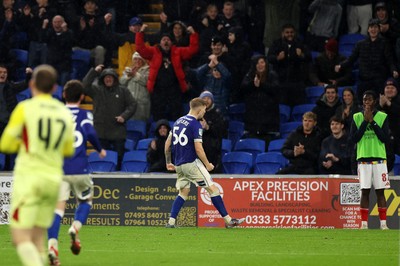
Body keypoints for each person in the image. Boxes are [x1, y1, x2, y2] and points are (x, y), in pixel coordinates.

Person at [0, 64, 75, 266]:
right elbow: (68, 149)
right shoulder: (63, 112)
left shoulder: (25, 108)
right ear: (54, 88)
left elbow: (5, 144)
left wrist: (27, 144)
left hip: (29, 179)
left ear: (32, 85)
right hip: (52, 180)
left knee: (20, 237)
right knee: (37, 234)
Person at [47, 80, 106, 266]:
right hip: (80, 168)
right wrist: (100, 149)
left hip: (59, 169)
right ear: (82, 97)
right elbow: (90, 133)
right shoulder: (84, 114)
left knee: (57, 209)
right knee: (86, 201)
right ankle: (75, 227)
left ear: (64, 95)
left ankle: (52, 246)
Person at [164, 97, 244, 228]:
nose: (204, 113)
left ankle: (171, 222)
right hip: (191, 163)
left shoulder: (178, 121)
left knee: (183, 192)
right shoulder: (195, 124)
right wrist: (207, 164)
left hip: (179, 165)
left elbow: (167, 144)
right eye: (204, 110)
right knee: (213, 189)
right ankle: (229, 221)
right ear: (199, 109)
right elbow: (198, 148)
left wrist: (168, 162)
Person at [136, 23, 199, 121]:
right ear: (160, 42)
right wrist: (141, 33)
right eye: (164, 40)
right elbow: (140, 48)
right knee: (158, 116)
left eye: (168, 40)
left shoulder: (177, 51)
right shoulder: (154, 52)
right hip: (158, 90)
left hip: (174, 90)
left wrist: (193, 34)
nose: (166, 42)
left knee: (177, 116)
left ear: (171, 42)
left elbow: (192, 50)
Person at [349, 90, 391, 230]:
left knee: (380, 191)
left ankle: (383, 224)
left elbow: (385, 138)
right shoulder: (356, 117)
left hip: (379, 159)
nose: (366, 102)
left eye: (369, 99)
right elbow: (353, 139)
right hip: (363, 159)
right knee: (364, 191)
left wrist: (372, 122)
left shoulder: (382, 116)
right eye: (364, 99)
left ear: (374, 102)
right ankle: (364, 224)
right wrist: (364, 122)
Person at [82, 65, 137, 169]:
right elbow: (84, 86)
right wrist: (94, 71)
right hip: (101, 131)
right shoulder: (97, 90)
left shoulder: (123, 91)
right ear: (102, 79)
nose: (108, 79)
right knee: (103, 160)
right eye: (106, 77)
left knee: (119, 159)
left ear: (115, 79)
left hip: (118, 131)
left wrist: (124, 117)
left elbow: (133, 104)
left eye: (110, 77)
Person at [335, 18, 399, 101]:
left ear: (379, 29)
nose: (373, 30)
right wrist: (341, 65)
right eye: (371, 27)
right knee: (360, 103)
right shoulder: (360, 44)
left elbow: (389, 59)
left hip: (378, 79)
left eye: (375, 27)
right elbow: (351, 59)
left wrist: (393, 70)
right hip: (364, 79)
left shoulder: (385, 43)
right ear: (368, 29)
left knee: (378, 104)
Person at [241, 55, 280, 147]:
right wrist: (253, 84)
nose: (260, 65)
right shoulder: (249, 76)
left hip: (269, 122)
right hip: (252, 122)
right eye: (257, 63)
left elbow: (275, 90)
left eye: (262, 62)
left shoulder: (272, 75)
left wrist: (261, 85)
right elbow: (243, 89)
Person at [267, 23, 311, 106]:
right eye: (287, 32)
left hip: (297, 82)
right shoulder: (276, 43)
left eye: (291, 32)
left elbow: (309, 58)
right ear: (282, 33)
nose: (289, 34)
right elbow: (269, 58)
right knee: (283, 105)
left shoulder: (300, 43)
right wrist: (277, 58)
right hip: (281, 81)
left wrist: (302, 55)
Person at [199, 90, 227, 173]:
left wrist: (208, 127)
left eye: (208, 98)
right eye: (204, 98)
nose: (206, 100)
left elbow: (222, 131)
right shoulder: (196, 113)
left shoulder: (217, 113)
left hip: (213, 149)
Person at [40, 15, 73, 86]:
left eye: (59, 22)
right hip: (52, 63)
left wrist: (65, 32)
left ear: (64, 23)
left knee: (63, 83)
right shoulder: (50, 32)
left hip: (64, 64)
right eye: (55, 22)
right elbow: (42, 39)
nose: (57, 24)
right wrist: (44, 27)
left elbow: (67, 43)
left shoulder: (69, 33)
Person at [119, 52, 151, 122]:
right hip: (128, 103)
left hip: (142, 103)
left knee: (141, 124)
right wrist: (128, 76)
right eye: (135, 59)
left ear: (143, 60)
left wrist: (135, 74)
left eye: (139, 59)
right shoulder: (127, 70)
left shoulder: (148, 70)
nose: (137, 61)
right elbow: (121, 83)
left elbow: (146, 82)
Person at [378, 78, 400, 155]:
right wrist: (380, 106)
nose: (389, 90)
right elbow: (372, 118)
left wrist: (389, 103)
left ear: (397, 90)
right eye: (387, 88)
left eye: (392, 88)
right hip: (383, 139)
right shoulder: (378, 102)